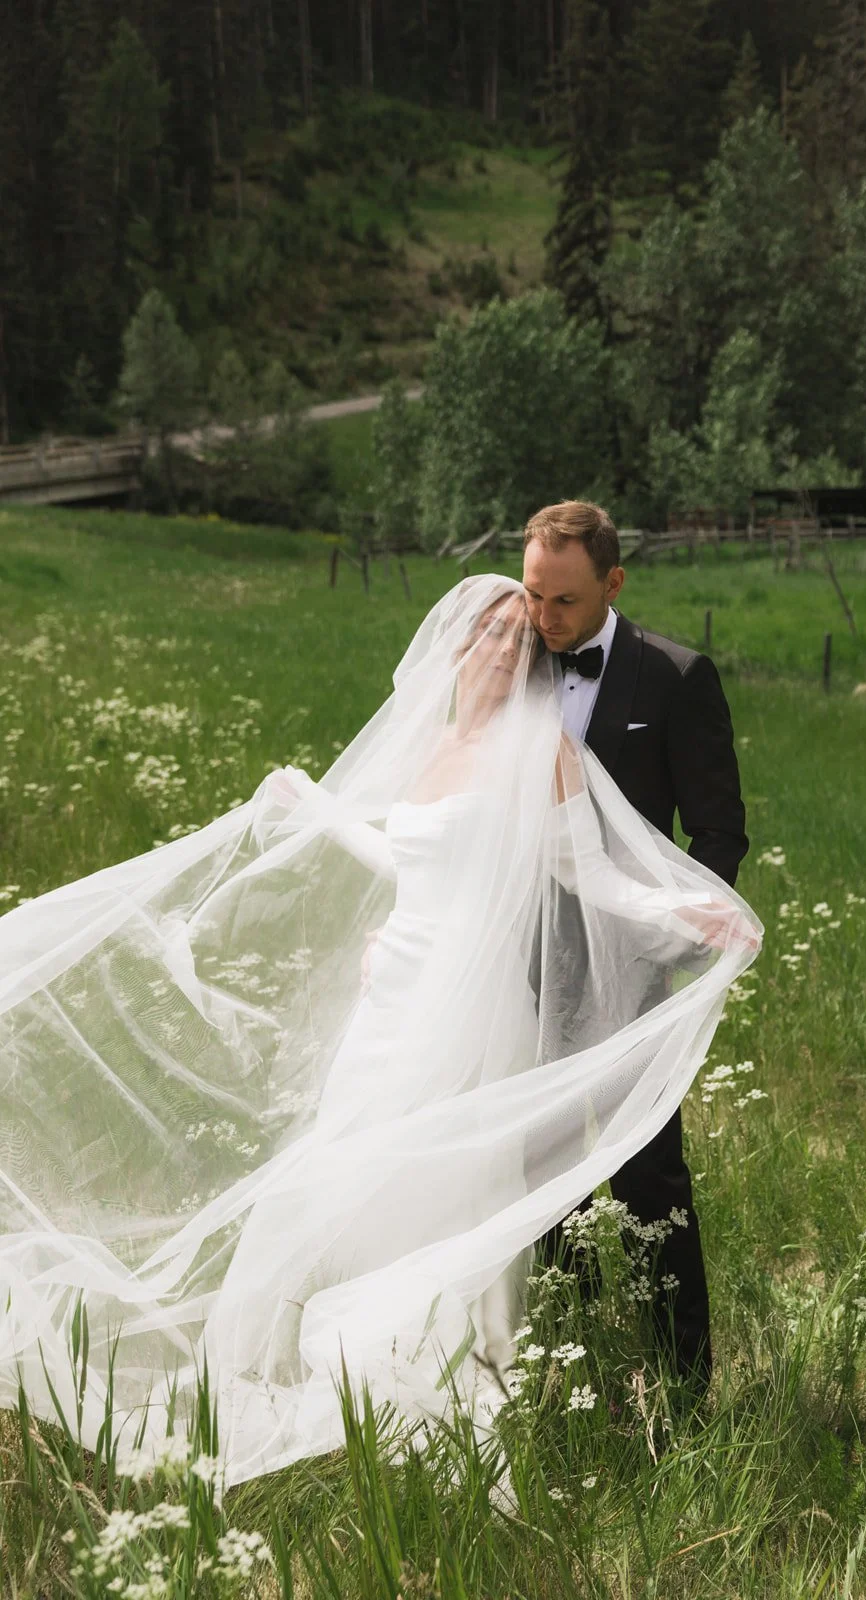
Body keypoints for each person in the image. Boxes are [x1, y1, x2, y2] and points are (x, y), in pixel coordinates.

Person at [0, 575, 760, 1486]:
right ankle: (314, 1353)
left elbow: (587, 872)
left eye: (515, 644)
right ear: (452, 649)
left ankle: (449, 1375)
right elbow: (409, 860)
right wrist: (312, 809)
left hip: (472, 1002)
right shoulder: (439, 748)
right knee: (350, 1162)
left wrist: (687, 907)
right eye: (484, 639)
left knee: (449, 1183)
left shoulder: (543, 753)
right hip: (394, 987)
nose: (496, 654)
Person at [523, 501, 748, 1386]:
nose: (543, 620)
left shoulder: (675, 677)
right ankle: (568, 1371)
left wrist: (670, 935)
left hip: (635, 965)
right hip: (523, 957)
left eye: (564, 603)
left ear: (612, 585)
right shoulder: (511, 666)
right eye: (534, 596)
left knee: (649, 1175)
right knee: (540, 1173)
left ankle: (682, 1384)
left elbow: (719, 830)